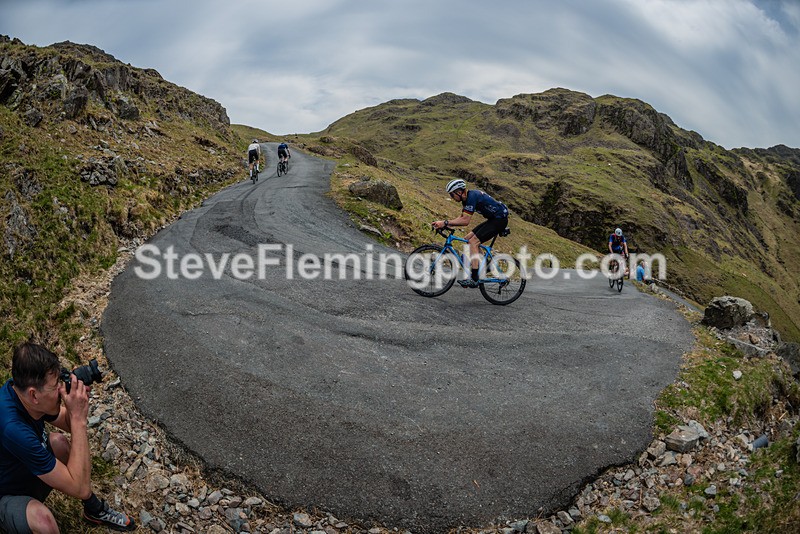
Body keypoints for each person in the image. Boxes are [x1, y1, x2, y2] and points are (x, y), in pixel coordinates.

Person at [0, 343, 136, 532]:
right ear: (34, 395)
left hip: (24, 471)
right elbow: (80, 488)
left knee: (59, 442)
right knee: (43, 521)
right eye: (55, 386)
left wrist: (75, 406)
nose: (61, 389)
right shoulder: (12, 427)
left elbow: (66, 423)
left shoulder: (21, 393)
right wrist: (79, 419)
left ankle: (93, 509)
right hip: (6, 495)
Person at [431, 179, 509, 288]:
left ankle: (474, 278)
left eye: (452, 195)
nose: (452, 198)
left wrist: (445, 222)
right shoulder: (466, 199)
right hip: (492, 219)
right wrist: (448, 224)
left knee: (473, 242)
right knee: (468, 239)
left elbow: (465, 221)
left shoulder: (472, 197)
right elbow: (462, 217)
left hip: (499, 220)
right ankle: (486, 266)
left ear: (458, 192)